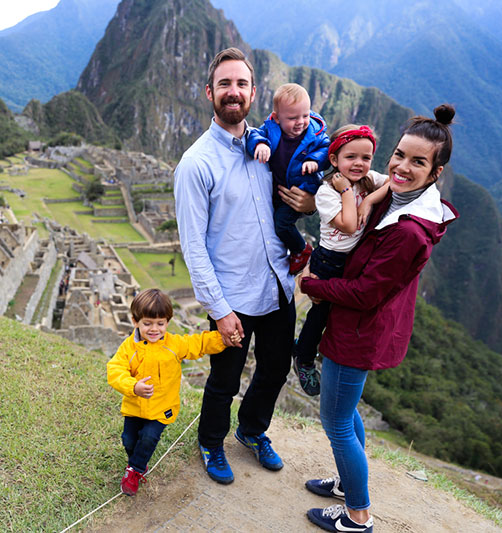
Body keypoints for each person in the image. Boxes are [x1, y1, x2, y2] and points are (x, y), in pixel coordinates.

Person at [300, 105, 459, 532]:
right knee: (346, 412)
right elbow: (356, 187)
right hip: (356, 325)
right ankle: (346, 486)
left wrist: (312, 286)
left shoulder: (409, 230)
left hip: (359, 330)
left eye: (418, 161)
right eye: (400, 154)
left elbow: (367, 293)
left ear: (435, 172)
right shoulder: (397, 195)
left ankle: (357, 514)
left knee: (334, 420)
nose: (403, 167)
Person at [174, 47, 315, 485]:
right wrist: (219, 310)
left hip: (276, 285)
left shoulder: (271, 146)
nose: (233, 92)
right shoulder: (197, 164)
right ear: (209, 93)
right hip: (232, 295)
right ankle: (212, 443)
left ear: (254, 92)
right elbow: (193, 247)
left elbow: (301, 190)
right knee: (225, 379)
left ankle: (252, 430)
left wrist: (309, 204)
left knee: (274, 369)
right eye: (224, 84)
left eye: (241, 84)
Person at [292, 125, 389, 396]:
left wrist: (368, 200)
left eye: (366, 158)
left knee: (342, 315)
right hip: (329, 261)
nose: (359, 164)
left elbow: (396, 181)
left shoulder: (368, 180)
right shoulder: (327, 191)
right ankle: (304, 356)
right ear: (334, 160)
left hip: (354, 260)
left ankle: (312, 350)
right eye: (351, 157)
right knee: (321, 313)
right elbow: (347, 225)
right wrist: (348, 191)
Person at [107, 288, 227, 496]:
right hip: (135, 406)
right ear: (136, 321)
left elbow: (197, 343)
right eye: (147, 323)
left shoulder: (174, 344)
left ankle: (134, 470)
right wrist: (133, 386)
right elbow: (115, 370)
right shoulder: (129, 347)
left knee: (148, 437)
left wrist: (223, 338)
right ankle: (137, 462)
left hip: (162, 408)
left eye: (160, 324)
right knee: (128, 439)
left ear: (167, 322)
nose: (154, 329)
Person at [246, 83, 331, 274]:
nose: (300, 122)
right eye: (292, 118)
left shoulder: (315, 134)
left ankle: (301, 249)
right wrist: (260, 144)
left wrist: (314, 161)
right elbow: (254, 135)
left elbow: (327, 150)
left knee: (282, 223)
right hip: (278, 189)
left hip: (302, 189)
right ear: (276, 118)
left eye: (305, 115)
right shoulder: (271, 129)